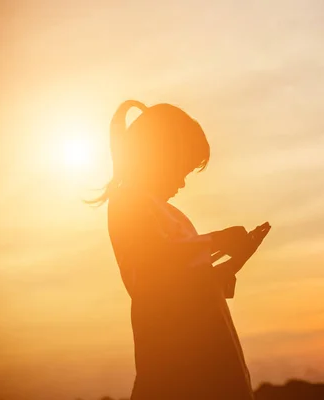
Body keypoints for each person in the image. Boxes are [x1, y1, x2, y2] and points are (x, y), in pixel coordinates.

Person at [89, 100, 271, 399]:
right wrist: (216, 242)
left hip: (202, 344)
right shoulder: (129, 204)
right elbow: (157, 265)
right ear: (157, 157)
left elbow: (188, 279)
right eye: (180, 169)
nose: (182, 182)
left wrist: (234, 260)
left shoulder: (162, 210)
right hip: (175, 350)